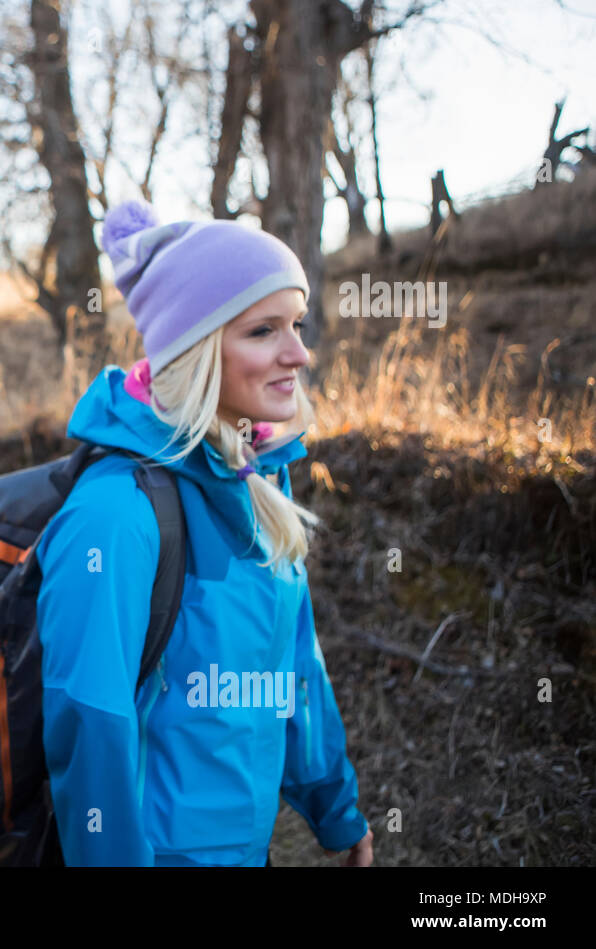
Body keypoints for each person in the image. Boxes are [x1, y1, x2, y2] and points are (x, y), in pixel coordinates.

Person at [35, 200, 373, 867]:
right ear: (195, 348)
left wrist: (337, 810)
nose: (299, 353)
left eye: (297, 325)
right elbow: (91, 734)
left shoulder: (260, 483)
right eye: (263, 330)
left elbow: (296, 670)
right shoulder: (117, 514)